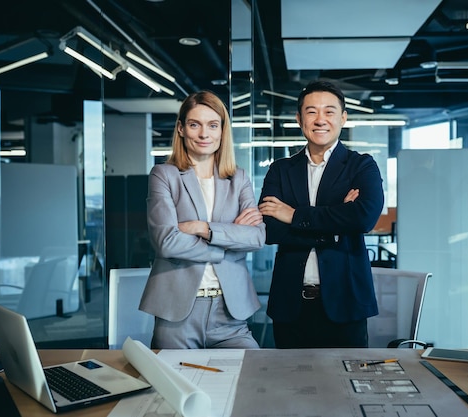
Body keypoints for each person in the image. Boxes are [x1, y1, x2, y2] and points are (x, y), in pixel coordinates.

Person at [258, 80, 384, 348]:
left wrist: (294, 216)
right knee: (289, 385)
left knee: (347, 387)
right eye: (311, 111)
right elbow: (270, 230)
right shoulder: (281, 170)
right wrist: (337, 225)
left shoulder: (361, 165)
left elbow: (363, 218)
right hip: (291, 306)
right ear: (299, 118)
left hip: (345, 304)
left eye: (329, 111)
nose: (320, 120)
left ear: (343, 117)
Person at [140, 90, 265, 349]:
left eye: (212, 125)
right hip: (177, 313)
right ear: (181, 129)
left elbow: (256, 237)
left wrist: (203, 229)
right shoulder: (164, 175)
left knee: (252, 379)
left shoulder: (238, 178)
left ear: (222, 130)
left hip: (231, 314)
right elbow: (166, 243)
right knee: (176, 389)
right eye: (194, 124)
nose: (204, 134)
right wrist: (229, 241)